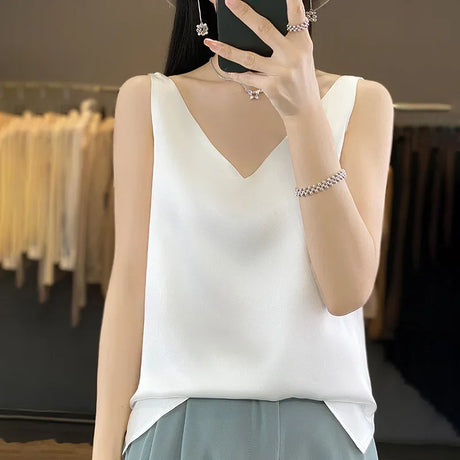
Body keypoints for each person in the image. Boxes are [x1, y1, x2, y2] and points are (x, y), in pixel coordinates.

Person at [91, 0, 394, 459]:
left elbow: (346, 292)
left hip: (323, 431)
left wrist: (304, 114)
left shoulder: (363, 102)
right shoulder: (149, 100)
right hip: (173, 424)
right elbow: (131, 287)